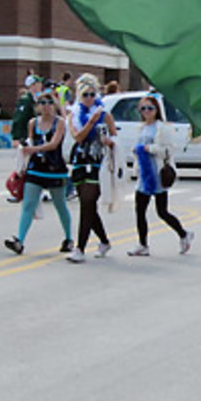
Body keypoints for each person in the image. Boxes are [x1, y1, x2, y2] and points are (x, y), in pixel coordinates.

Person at [4, 90, 72, 255]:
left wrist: (33, 149)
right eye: (42, 103)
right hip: (36, 168)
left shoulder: (60, 123)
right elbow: (30, 140)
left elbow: (54, 144)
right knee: (28, 204)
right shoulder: (33, 123)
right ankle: (19, 240)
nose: (46, 106)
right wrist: (24, 150)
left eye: (49, 103)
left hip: (55, 169)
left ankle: (68, 238)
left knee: (60, 204)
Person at [128, 94, 194, 256]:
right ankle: (143, 244)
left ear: (157, 110)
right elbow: (138, 147)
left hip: (158, 174)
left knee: (162, 212)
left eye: (150, 108)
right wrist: (136, 151)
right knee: (140, 210)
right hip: (144, 173)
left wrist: (149, 149)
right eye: (143, 109)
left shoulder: (162, 128)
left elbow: (168, 150)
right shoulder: (141, 128)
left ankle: (184, 234)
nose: (147, 112)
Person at [66, 74, 117, 263]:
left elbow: (115, 138)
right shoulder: (74, 115)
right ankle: (104, 241)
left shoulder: (106, 115)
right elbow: (78, 137)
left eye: (92, 94)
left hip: (98, 164)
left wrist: (109, 142)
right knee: (88, 206)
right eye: (85, 94)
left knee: (88, 202)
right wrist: (90, 122)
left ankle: (80, 248)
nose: (89, 98)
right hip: (80, 161)